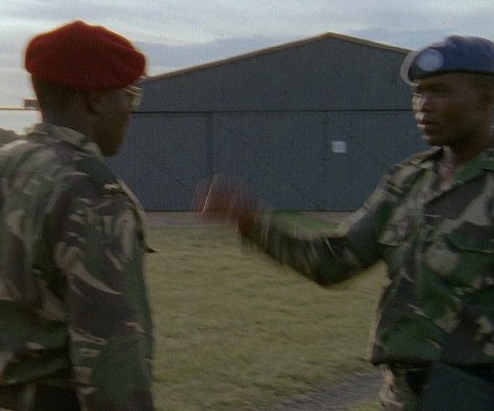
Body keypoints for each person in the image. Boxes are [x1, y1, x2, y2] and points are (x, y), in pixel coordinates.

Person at [199, 35, 494, 410]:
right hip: (403, 393)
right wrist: (253, 222)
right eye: (418, 93)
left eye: (439, 91)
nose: (424, 105)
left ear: (486, 98)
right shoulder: (406, 182)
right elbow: (335, 261)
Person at [0, 20, 154, 411]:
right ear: (96, 100)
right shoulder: (91, 194)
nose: (130, 112)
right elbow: (113, 364)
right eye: (129, 97)